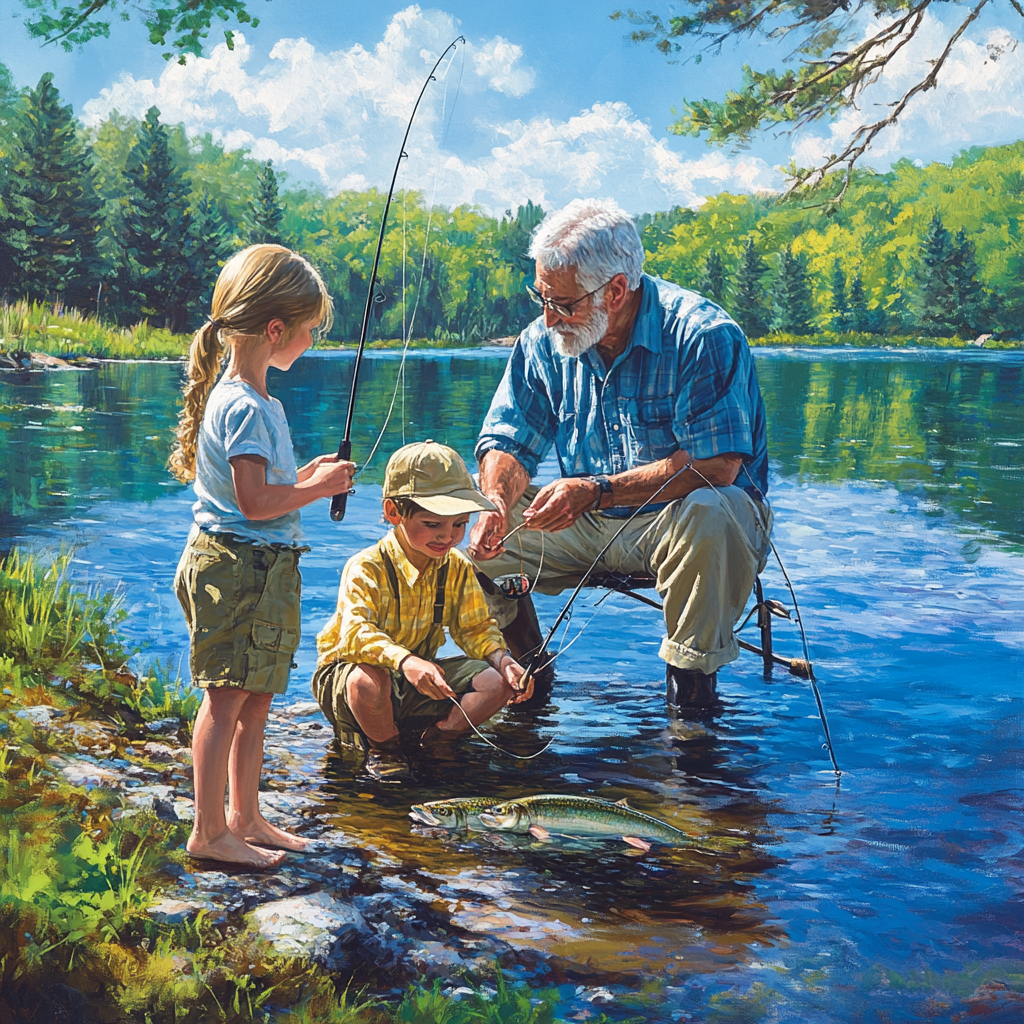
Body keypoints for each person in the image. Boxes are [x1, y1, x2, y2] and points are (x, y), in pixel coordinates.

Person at [468, 198, 772, 710]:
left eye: (563, 304)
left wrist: (597, 491)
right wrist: (496, 504)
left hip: (683, 521)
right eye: (541, 297)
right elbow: (508, 441)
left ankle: (691, 705)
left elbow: (717, 466)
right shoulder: (544, 341)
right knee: (461, 522)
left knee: (713, 510)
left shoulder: (703, 335)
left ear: (616, 289)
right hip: (587, 519)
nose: (548, 316)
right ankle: (529, 676)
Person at [171, 244, 354, 868]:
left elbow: (262, 485)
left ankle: (245, 817)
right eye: (306, 332)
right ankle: (208, 830)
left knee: (256, 697)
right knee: (226, 697)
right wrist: (319, 488)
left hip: (262, 566)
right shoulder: (244, 403)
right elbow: (252, 503)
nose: (308, 343)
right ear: (275, 330)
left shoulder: (255, 399)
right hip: (235, 567)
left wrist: (305, 475)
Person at [312, 440, 532, 782]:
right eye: (432, 524)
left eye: (459, 524)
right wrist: (406, 660)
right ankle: (385, 748)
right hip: (352, 680)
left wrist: (504, 661)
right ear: (393, 512)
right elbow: (355, 633)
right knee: (368, 679)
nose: (447, 536)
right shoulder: (366, 566)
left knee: (496, 683)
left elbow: (475, 628)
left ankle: (439, 739)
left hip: (415, 676)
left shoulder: (455, 565)